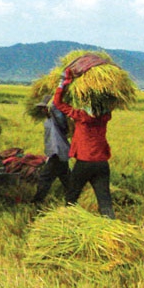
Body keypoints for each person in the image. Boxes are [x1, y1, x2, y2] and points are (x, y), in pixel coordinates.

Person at [53, 69, 115, 218]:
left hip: (84, 163)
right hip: (102, 164)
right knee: (104, 198)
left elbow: (58, 103)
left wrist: (63, 84)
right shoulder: (105, 117)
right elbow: (111, 103)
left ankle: (67, 219)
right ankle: (110, 223)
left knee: (72, 195)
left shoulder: (81, 116)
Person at [32, 95, 70, 204]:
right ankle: (73, 198)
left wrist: (55, 100)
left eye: (44, 108)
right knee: (66, 177)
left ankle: (37, 201)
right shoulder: (48, 119)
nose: (42, 110)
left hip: (57, 152)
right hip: (57, 153)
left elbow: (58, 112)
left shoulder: (57, 119)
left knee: (45, 177)